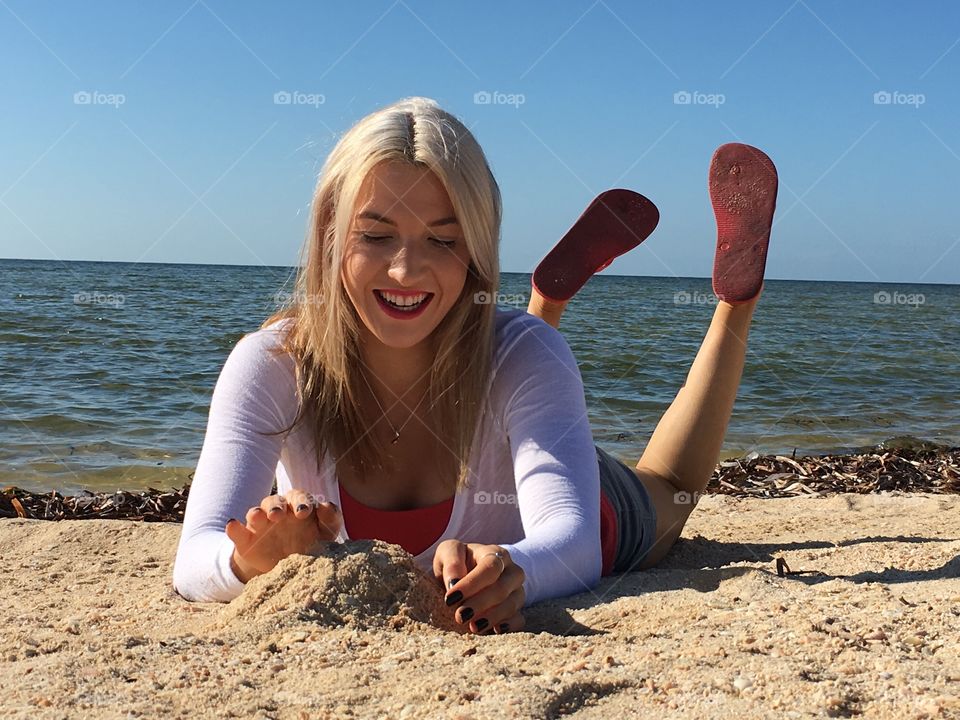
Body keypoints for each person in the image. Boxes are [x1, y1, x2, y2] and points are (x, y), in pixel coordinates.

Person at [172, 96, 777, 638]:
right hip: (522, 412)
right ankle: (544, 307)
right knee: (526, 352)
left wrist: (518, 570)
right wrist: (249, 560)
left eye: (442, 240)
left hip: (581, 490)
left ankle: (734, 306)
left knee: (671, 485)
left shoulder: (525, 359)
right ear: (328, 236)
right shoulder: (273, 364)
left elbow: (574, 543)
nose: (405, 271)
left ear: (479, 251)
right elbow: (195, 556)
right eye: (376, 236)